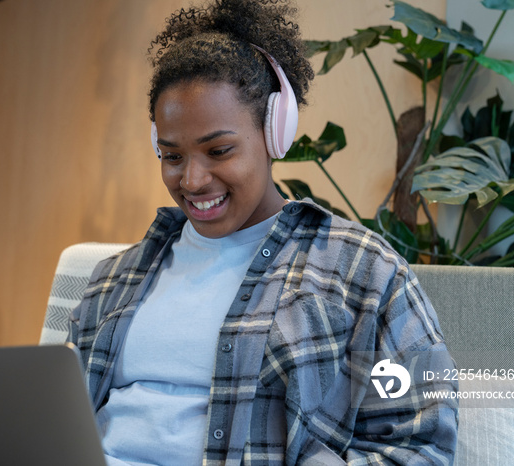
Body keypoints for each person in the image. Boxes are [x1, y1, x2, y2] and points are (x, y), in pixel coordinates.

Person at [69, 0, 458, 464]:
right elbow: (54, 418)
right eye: (172, 156)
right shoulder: (112, 279)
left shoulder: (362, 270)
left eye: (219, 150)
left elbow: (421, 445)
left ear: (275, 134)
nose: (191, 181)